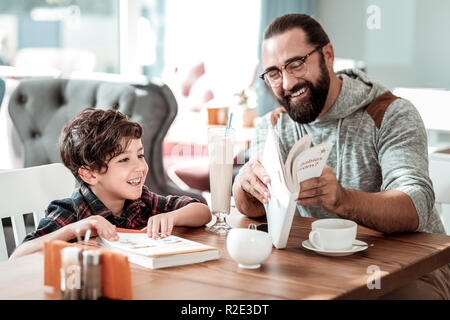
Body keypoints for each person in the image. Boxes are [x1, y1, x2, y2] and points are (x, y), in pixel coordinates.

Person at [233, 13, 449, 299]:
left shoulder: (390, 113)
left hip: (412, 271)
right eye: (273, 73)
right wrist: (245, 184)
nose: (286, 83)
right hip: (319, 272)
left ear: (328, 55)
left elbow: (416, 205)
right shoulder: (274, 125)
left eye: (295, 64)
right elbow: (254, 208)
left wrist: (342, 199)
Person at [11, 108, 212, 259]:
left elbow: (203, 212)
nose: (140, 167)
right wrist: (74, 230)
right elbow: (18, 256)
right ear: (89, 174)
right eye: (124, 160)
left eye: (140, 155)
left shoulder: (143, 202)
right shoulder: (71, 211)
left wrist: (172, 217)